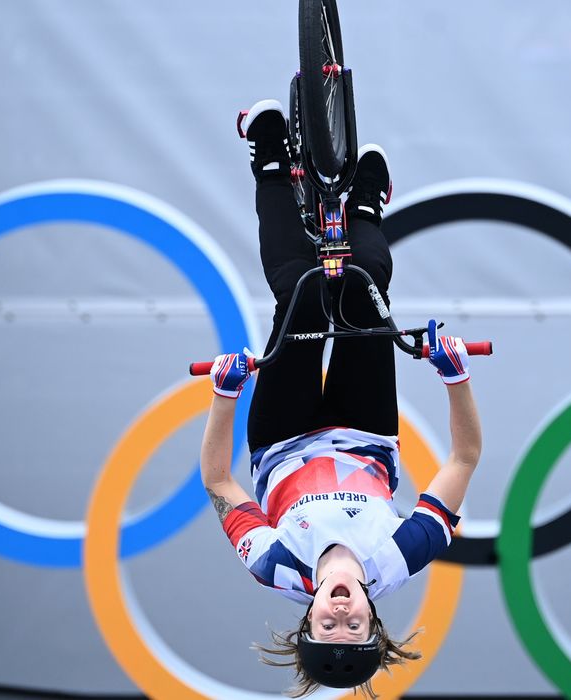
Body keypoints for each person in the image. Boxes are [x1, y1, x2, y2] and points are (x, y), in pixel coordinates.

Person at [198, 99, 482, 699]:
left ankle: (270, 160)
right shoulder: (402, 557)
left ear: (308, 619)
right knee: (364, 285)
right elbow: (463, 460)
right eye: (355, 627)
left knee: (298, 292)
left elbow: (220, 483)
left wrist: (225, 394)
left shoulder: (273, 565)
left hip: (282, 437)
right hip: (365, 430)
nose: (342, 614)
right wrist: (456, 378)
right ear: (374, 624)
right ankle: (363, 211)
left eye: (329, 626)